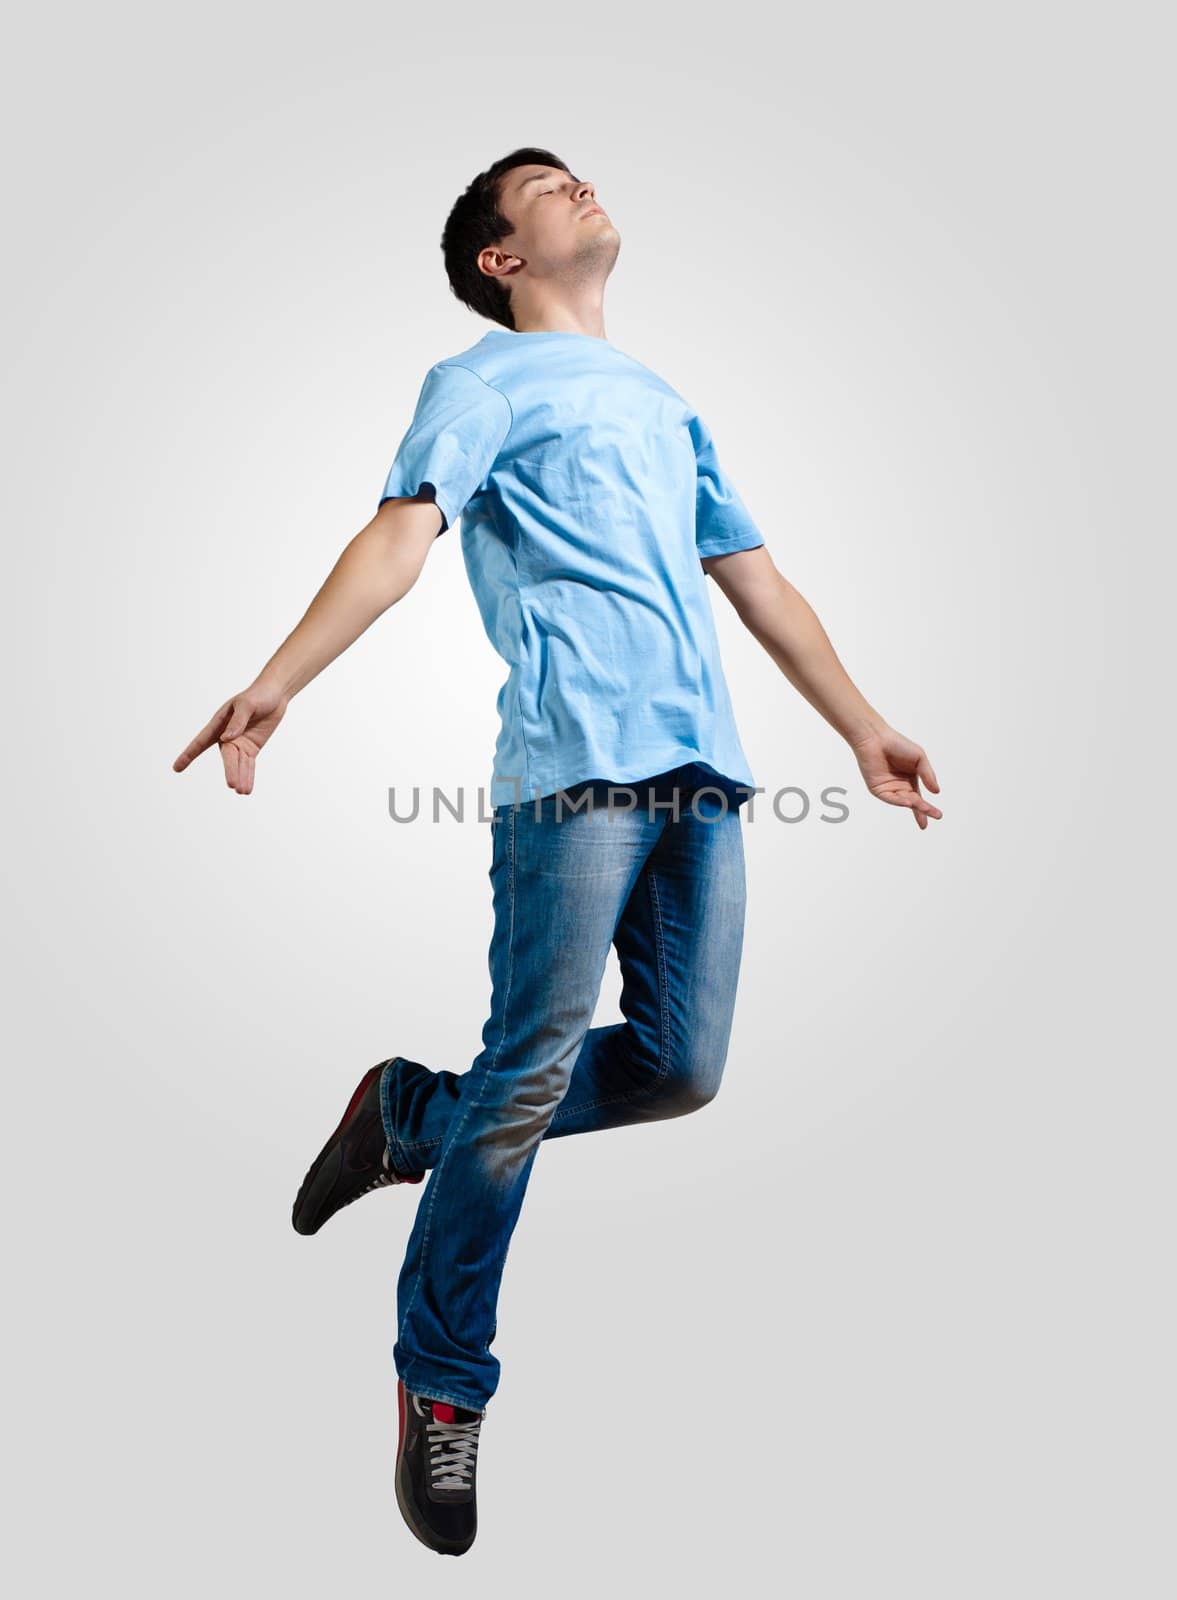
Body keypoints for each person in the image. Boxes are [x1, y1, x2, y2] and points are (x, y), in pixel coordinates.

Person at [171, 146, 942, 1558]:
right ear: (498, 261)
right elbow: (401, 538)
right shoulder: (478, 383)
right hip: (572, 773)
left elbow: (754, 576)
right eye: (545, 186)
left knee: (679, 1067)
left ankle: (408, 1116)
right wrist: (282, 678)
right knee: (526, 1075)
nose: (580, 187)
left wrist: (861, 728)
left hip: (701, 775)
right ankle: (441, 1382)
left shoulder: (658, 397)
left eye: (581, 172)